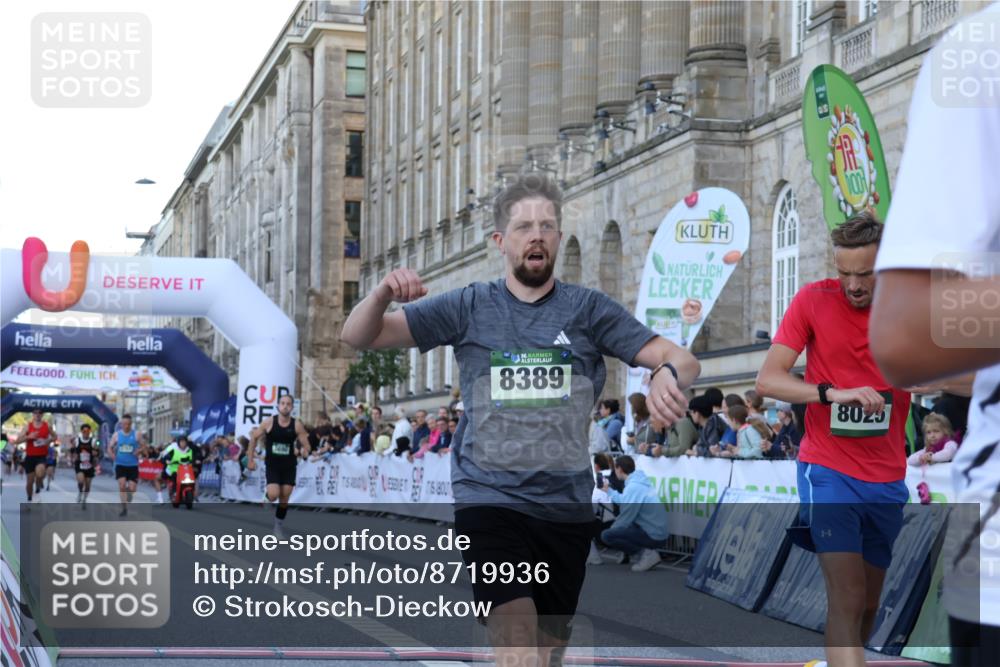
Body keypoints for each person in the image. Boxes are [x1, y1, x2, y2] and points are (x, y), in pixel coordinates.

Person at [340, 174, 698, 666]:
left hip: (564, 507)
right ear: (500, 242)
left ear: (556, 238)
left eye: (547, 226)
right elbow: (359, 336)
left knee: (546, 654)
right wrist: (381, 293)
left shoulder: (588, 310)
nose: (536, 235)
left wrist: (666, 372)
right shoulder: (469, 305)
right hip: (489, 499)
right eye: (524, 226)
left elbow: (677, 356)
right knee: (517, 637)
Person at [756, 212, 910, 667]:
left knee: (867, 605)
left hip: (887, 476)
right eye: (844, 274)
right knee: (847, 597)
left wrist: (931, 374)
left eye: (865, 274)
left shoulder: (910, 306)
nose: (853, 285)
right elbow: (768, 380)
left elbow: (968, 374)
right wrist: (830, 393)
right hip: (827, 469)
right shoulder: (812, 300)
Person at [246, 394, 311, 536]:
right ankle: (267, 497)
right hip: (273, 464)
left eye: (288, 404)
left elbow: (306, 445)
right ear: (278, 406)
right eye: (282, 403)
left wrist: (304, 451)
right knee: (274, 494)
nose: (285, 406)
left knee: (285, 497)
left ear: (292, 407)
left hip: (289, 465)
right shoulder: (269, 422)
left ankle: (278, 526)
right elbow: (254, 437)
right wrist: (250, 460)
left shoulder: (296, 424)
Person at [598, 456, 669, 572]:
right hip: (658, 532)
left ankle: (646, 555)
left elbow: (625, 517)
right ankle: (644, 553)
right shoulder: (639, 482)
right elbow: (626, 501)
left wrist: (613, 531)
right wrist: (609, 491)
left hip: (654, 535)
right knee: (620, 529)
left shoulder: (633, 487)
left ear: (619, 469)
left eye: (615, 469)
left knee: (607, 535)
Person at [10, 409, 54, 504]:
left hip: (41, 456)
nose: (38, 414)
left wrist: (48, 441)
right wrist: (28, 437)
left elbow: (55, 437)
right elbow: (17, 441)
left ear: (42, 415)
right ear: (33, 415)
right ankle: (30, 498)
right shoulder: (27, 427)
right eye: (36, 413)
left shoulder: (47, 426)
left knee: (40, 472)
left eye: (40, 413)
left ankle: (38, 484)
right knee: (29, 482)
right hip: (30, 457)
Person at [108, 414, 147, 516]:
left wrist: (138, 450)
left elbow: (144, 446)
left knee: (132, 488)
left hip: (133, 465)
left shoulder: (136, 434)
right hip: (120, 464)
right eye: (124, 424)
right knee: (122, 485)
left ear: (131, 424)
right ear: (121, 424)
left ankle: (129, 495)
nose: (126, 426)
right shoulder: (116, 435)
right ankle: (124, 508)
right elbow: (110, 447)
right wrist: (112, 455)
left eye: (128, 424)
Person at [70, 424, 98, 508]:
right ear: (81, 432)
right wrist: (73, 457)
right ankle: (80, 492)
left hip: (89, 466)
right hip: (80, 464)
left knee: (88, 486)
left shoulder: (93, 441)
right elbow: (72, 450)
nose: (86, 433)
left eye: (87, 431)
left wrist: (96, 453)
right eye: (84, 431)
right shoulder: (77, 441)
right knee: (81, 481)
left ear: (90, 432)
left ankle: (84, 499)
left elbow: (98, 453)